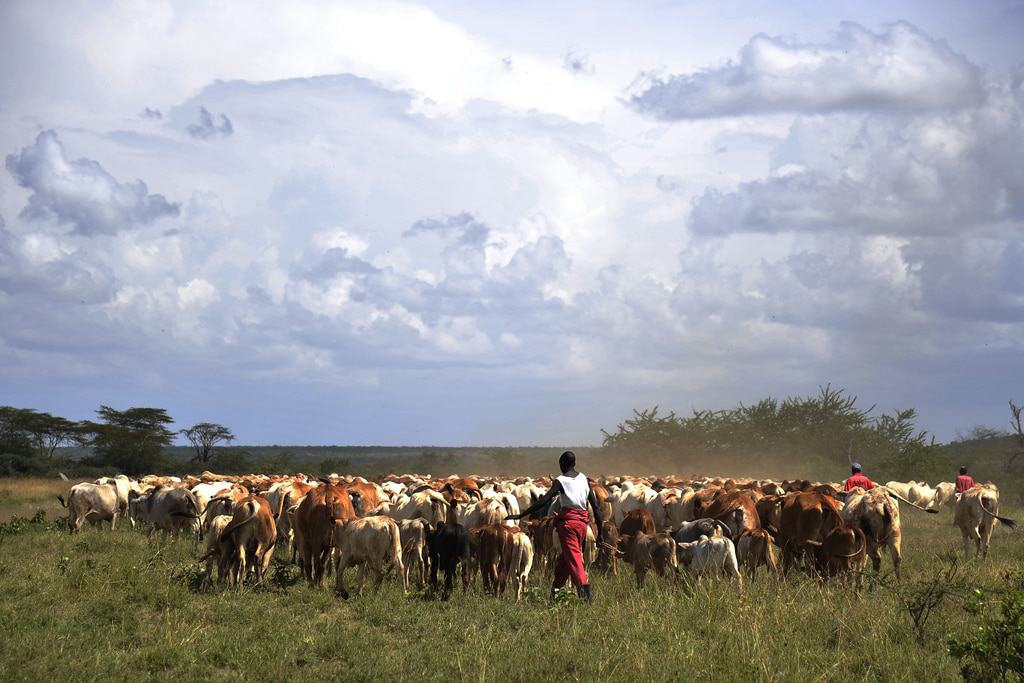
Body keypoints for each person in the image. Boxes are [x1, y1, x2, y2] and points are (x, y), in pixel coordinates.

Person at [507, 450, 603, 602]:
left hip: (568, 526)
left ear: (563, 464)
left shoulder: (561, 480)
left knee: (575, 560)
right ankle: (554, 595)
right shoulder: (584, 479)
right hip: (582, 525)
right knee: (565, 561)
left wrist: (520, 516)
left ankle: (586, 599)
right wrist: (600, 533)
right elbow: (596, 508)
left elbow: (545, 500)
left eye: (560, 464)